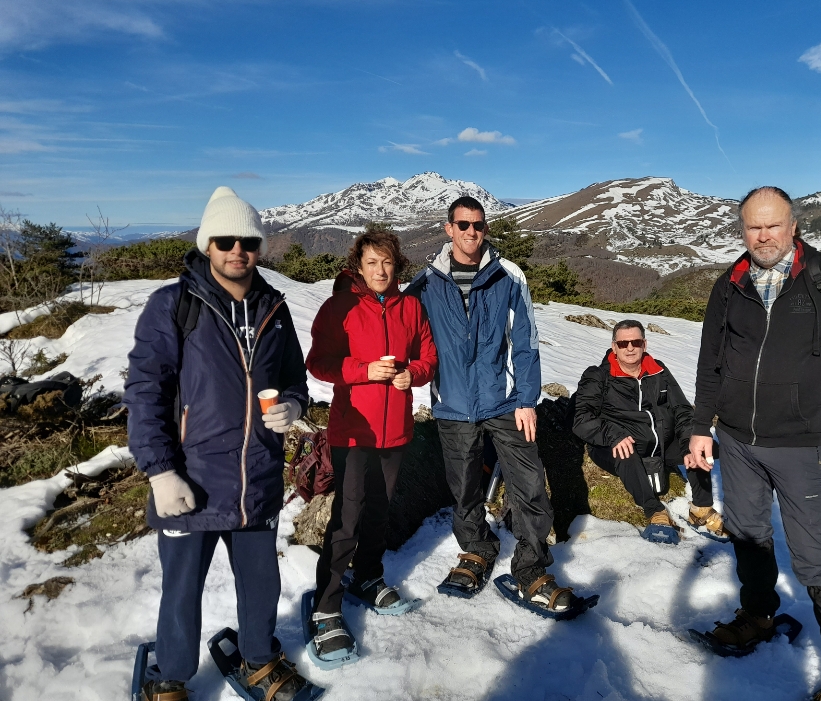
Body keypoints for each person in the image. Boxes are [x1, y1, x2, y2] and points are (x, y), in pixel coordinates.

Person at [688, 186, 821, 700]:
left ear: (793, 225)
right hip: (735, 439)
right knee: (748, 532)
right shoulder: (729, 284)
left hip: (798, 443)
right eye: (754, 227)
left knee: (815, 556)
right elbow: (710, 360)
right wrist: (698, 425)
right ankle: (757, 615)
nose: (764, 236)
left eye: (773, 225)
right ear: (742, 230)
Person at [125, 187, 318, 701]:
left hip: (256, 477)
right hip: (190, 480)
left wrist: (294, 408)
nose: (238, 250)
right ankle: (169, 673)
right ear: (207, 244)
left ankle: (258, 658)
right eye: (225, 240)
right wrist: (160, 472)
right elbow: (146, 392)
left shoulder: (274, 307)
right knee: (182, 588)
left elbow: (295, 379)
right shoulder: (174, 305)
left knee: (261, 585)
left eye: (248, 241)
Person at [407, 195, 585, 615]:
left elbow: (526, 342)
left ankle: (531, 566)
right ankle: (475, 548)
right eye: (463, 225)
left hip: (505, 402)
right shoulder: (425, 282)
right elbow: (402, 333)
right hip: (452, 404)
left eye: (479, 225)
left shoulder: (507, 275)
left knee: (528, 484)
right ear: (448, 229)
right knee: (464, 486)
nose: (472, 232)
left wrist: (527, 400)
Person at [304, 230, 437, 664]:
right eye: (371, 263)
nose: (380, 271)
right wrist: (364, 371)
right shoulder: (339, 306)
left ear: (396, 266)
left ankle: (368, 577)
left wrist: (411, 375)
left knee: (380, 511)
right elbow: (318, 363)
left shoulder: (410, 307)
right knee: (347, 515)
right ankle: (326, 607)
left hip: (395, 429)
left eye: (387, 263)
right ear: (358, 267)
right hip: (353, 431)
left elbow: (428, 357)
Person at [572, 319, 727, 540]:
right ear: (614, 347)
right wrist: (614, 435)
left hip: (660, 444)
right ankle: (654, 510)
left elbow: (682, 410)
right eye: (623, 343)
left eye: (635, 342)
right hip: (614, 444)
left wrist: (686, 444)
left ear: (644, 344)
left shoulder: (658, 371)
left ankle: (701, 508)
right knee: (626, 453)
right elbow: (582, 418)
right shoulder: (598, 376)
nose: (630, 348)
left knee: (698, 446)